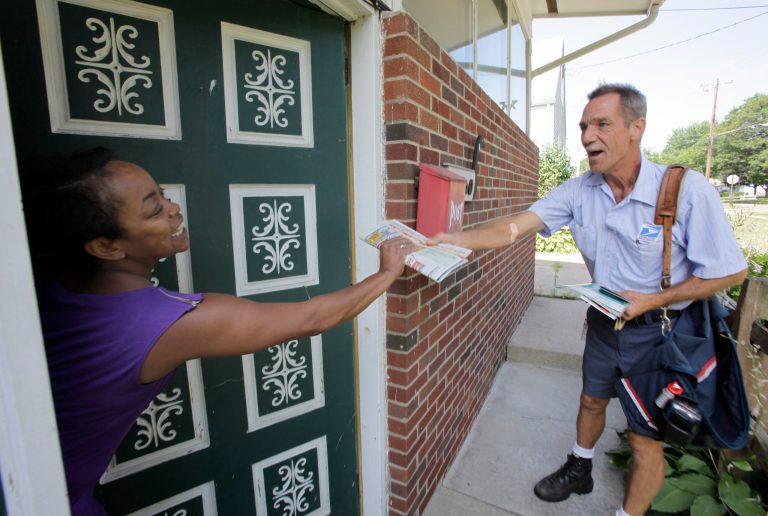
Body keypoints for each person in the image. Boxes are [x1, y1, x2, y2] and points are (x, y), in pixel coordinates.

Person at [21, 147, 414, 516]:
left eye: (162, 195)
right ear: (105, 247)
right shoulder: (163, 324)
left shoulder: (52, 281)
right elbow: (313, 318)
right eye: (155, 209)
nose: (174, 209)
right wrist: (387, 273)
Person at [430, 83, 747, 516]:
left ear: (637, 128)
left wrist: (655, 300)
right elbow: (514, 228)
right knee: (590, 400)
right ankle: (580, 468)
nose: (586, 136)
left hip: (661, 333)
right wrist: (456, 239)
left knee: (643, 438)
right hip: (604, 323)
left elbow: (731, 271)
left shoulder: (684, 190)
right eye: (583, 126)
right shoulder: (579, 191)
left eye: (601, 124)